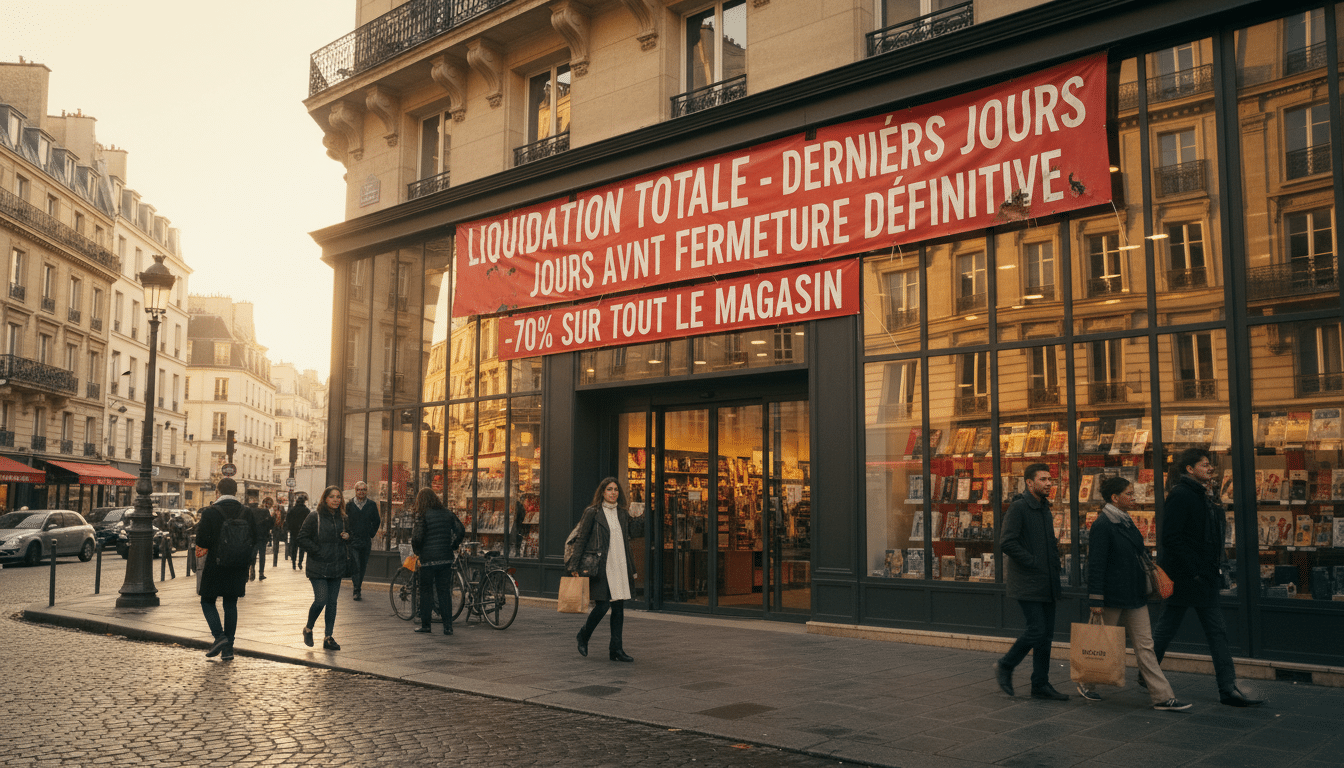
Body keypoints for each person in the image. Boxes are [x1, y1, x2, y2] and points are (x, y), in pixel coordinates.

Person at [1153, 448, 1265, 707]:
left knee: (1216, 632)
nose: (1210, 468)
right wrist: (1194, 570)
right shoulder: (1181, 495)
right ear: (1190, 469)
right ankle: (1146, 674)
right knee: (1168, 630)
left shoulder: (1206, 495)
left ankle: (1227, 688)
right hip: (1186, 577)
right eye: (1204, 465)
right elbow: (1170, 537)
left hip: (1203, 576)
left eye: (1210, 465)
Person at [1078, 476, 1191, 711]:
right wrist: (1095, 599)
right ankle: (1086, 682)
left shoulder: (1126, 520)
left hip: (1135, 594)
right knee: (1102, 644)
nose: (1133, 497)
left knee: (1146, 647)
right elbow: (1096, 564)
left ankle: (1162, 697)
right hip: (1111, 596)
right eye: (1129, 494)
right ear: (1115, 498)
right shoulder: (1103, 524)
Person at [995, 463, 1068, 700]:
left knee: (1045, 635)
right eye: (1043, 479)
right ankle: (1006, 665)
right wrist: (1033, 561)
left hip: (1047, 582)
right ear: (1029, 483)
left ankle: (1040, 684)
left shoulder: (1044, 508)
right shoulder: (1019, 507)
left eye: (1050, 479)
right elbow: (1007, 542)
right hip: (1027, 581)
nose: (1049, 483)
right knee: (1036, 630)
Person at [570, 477, 645, 662]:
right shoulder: (592, 512)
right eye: (610, 489)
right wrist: (574, 565)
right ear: (602, 492)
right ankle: (583, 635)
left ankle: (616, 649)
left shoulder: (622, 513)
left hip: (619, 564)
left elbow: (634, 535)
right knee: (603, 606)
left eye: (616, 489)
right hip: (601, 565)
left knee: (618, 607)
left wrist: (639, 517)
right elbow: (581, 538)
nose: (613, 492)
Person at [193, 477, 256, 661]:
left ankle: (219, 636)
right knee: (230, 604)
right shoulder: (246, 512)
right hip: (238, 565)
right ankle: (229, 649)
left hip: (216, 564)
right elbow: (255, 537)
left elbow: (202, 541)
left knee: (207, 600)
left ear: (218, 492)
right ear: (236, 492)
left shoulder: (210, 512)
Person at [297, 486, 351, 651]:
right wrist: (317, 550)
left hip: (336, 565)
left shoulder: (343, 518)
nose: (336, 500)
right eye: (332, 497)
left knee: (332, 603)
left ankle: (328, 637)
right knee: (321, 599)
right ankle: (308, 629)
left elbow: (349, 537)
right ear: (325, 499)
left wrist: (348, 537)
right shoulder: (315, 516)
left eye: (338, 497)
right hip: (318, 566)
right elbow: (302, 538)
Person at [409, 488, 466, 635]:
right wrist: (453, 545)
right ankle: (448, 626)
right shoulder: (447, 513)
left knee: (426, 592)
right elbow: (460, 530)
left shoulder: (422, 515)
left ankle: (426, 625)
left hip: (428, 560)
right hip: (445, 559)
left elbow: (417, 537)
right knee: (444, 592)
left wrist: (418, 552)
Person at [345, 481, 381, 601]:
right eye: (359, 489)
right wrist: (348, 534)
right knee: (355, 565)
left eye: (364, 489)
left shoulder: (371, 505)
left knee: (363, 566)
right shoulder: (349, 505)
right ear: (355, 491)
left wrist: (371, 533)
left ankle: (358, 586)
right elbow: (345, 520)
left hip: (365, 540)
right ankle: (356, 590)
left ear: (366, 491)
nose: (361, 492)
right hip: (353, 540)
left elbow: (377, 521)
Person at [250, 496, 274, 581]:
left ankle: (252, 567)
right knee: (262, 555)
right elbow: (271, 524)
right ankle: (261, 573)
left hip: (253, 537)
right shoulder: (265, 511)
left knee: (253, 554)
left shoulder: (251, 511)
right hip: (263, 537)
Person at [286, 493, 310, 570]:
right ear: (304, 502)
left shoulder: (292, 510)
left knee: (294, 547)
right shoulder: (306, 510)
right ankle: (300, 562)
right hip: (303, 532)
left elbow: (287, 520)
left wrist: (289, 529)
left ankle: (293, 563)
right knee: (302, 548)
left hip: (294, 532)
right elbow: (309, 522)